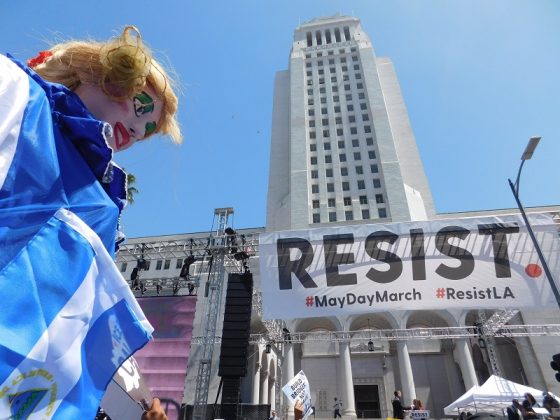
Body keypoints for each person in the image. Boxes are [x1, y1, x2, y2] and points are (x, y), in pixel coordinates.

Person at [1, 25, 180, 419]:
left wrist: (143, 400)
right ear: (91, 71)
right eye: (138, 105)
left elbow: (79, 316)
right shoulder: (16, 96)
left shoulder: (106, 206)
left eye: (147, 130)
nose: (135, 130)